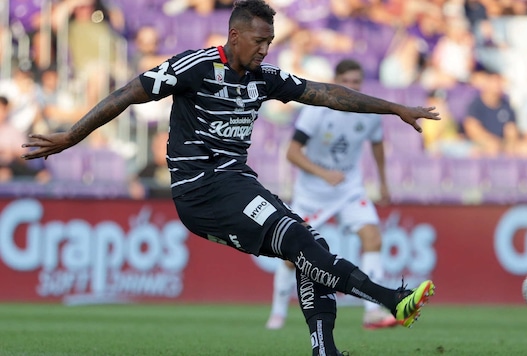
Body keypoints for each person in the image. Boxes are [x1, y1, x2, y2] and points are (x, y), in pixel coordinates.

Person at [22, 1, 439, 355]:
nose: (265, 49)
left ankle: (325, 349)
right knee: (300, 242)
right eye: (259, 40)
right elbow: (127, 93)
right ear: (234, 35)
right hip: (201, 188)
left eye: (270, 41)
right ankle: (390, 300)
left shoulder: (264, 78)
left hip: (235, 183)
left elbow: (327, 93)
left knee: (310, 247)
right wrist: (71, 136)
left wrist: (394, 108)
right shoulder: (196, 66)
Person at [265, 59, 397, 331]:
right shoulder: (317, 111)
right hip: (313, 193)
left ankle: (372, 312)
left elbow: (377, 146)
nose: (351, 87)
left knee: (372, 237)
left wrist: (383, 182)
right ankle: (277, 313)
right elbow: (292, 153)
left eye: (356, 82)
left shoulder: (369, 113)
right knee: (293, 255)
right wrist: (324, 174)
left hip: (349, 189)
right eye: (346, 81)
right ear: (336, 81)